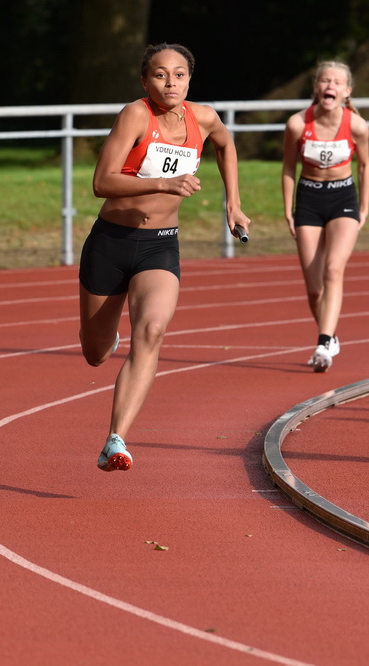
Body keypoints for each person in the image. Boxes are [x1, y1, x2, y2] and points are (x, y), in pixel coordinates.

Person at [79, 43, 249, 472]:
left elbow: (226, 146)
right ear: (144, 80)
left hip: (160, 244)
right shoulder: (135, 115)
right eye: (159, 74)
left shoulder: (204, 117)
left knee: (152, 330)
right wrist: (166, 184)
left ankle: (115, 439)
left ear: (190, 79)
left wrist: (233, 203)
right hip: (111, 243)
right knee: (95, 353)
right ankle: (104, 336)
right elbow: (102, 181)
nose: (170, 82)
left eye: (178, 74)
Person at [281, 61, 369, 372]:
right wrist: (288, 210)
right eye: (324, 80)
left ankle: (323, 341)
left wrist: (364, 208)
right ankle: (329, 334)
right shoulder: (296, 124)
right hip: (309, 199)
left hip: (343, 198)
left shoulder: (358, 126)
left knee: (334, 269)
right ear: (317, 88)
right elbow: (289, 168)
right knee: (314, 287)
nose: (330, 85)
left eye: (337, 82)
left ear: (346, 92)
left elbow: (364, 167)